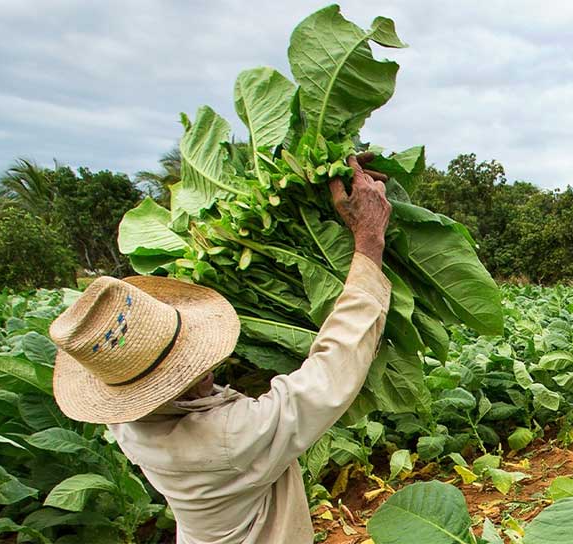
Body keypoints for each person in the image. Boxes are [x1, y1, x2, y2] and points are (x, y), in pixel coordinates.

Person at [49, 155, 392, 544]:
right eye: (186, 369)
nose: (208, 369)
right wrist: (368, 240)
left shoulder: (125, 423)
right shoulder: (230, 437)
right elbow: (331, 372)